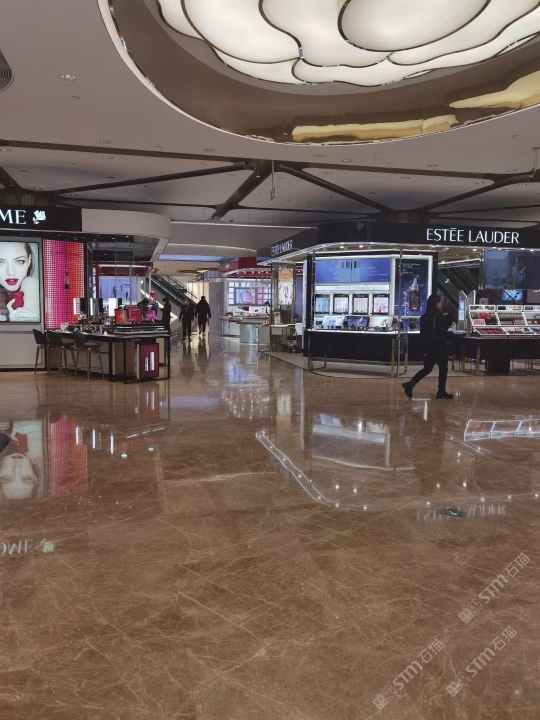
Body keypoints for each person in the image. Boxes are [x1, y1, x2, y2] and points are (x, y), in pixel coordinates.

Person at [402, 294, 454, 400]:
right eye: (440, 302)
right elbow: (442, 329)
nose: (441, 304)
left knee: (427, 368)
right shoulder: (438, 315)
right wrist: (449, 318)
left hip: (429, 346)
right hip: (439, 345)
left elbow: (424, 334)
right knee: (443, 368)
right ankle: (441, 391)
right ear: (436, 303)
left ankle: (411, 384)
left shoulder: (425, 316)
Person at [0, 241, 40, 322]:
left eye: (19, 261)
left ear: (29, 261)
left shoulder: (30, 283)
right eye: (1, 262)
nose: (11, 272)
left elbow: (32, 322)